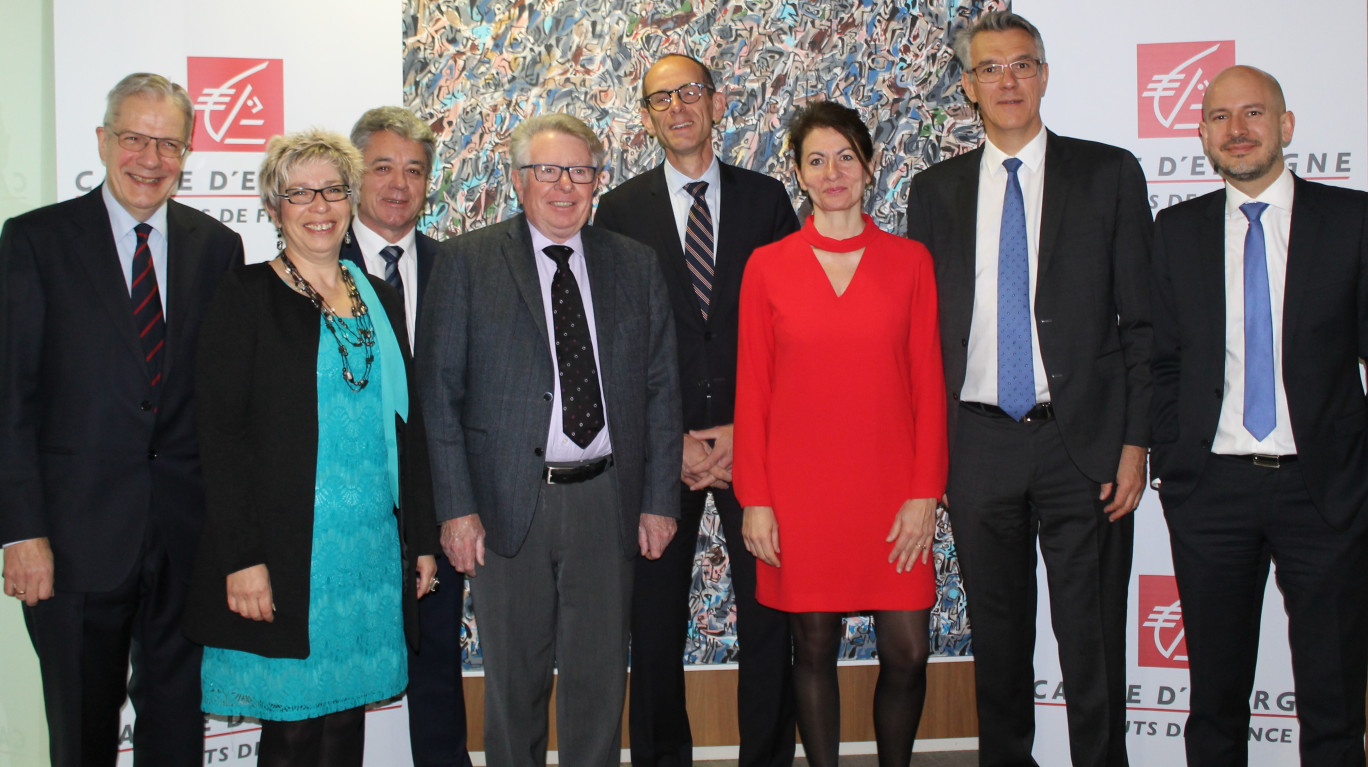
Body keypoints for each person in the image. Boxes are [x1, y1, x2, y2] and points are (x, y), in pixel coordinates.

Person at [904, 11, 1151, 766]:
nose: (1007, 80)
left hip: (1086, 444)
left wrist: (1136, 441)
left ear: (1044, 74)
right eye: (989, 69)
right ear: (969, 88)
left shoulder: (1108, 173)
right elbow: (921, 337)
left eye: (1022, 64)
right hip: (977, 443)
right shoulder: (934, 190)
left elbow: (1142, 324)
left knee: (1093, 639)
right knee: (1000, 639)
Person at [418, 113, 681, 767]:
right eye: (547, 171)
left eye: (580, 171)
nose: (565, 186)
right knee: (515, 686)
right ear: (517, 180)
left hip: (605, 499)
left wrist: (659, 500)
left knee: (597, 683)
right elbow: (439, 396)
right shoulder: (467, 262)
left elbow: (660, 391)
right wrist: (455, 507)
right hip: (508, 505)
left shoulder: (634, 265)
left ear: (596, 180)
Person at [0, 72, 244, 765]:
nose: (150, 157)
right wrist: (21, 531)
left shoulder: (216, 247)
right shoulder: (36, 241)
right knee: (80, 731)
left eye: (167, 143)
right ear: (104, 140)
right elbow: (11, 397)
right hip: (73, 541)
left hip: (184, 538)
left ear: (187, 152)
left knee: (177, 731)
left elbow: (222, 404)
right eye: (135, 138)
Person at [180, 128, 439, 765]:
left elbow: (409, 427)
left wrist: (423, 538)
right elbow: (221, 436)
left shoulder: (374, 297)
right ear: (274, 207)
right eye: (300, 193)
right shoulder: (245, 296)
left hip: (369, 555)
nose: (319, 206)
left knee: (345, 722)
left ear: (351, 201)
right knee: (294, 731)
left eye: (332, 191)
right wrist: (241, 559)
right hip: (290, 554)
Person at [1150, 65, 1368, 767]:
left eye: (1252, 113)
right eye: (1219, 117)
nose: (1236, 130)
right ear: (1204, 133)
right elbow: (1161, 359)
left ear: (1285, 126)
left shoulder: (1352, 221)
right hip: (1211, 492)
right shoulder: (1176, 230)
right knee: (1214, 702)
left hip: (1325, 491)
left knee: (1333, 701)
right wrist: (1174, 464)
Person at [594, 52, 798, 767]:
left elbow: (791, 326)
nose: (677, 107)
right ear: (645, 118)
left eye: (691, 93)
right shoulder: (617, 210)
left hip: (757, 448)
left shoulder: (768, 199)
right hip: (660, 453)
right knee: (652, 627)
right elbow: (612, 344)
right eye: (660, 99)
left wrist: (751, 430)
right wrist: (667, 436)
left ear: (718, 101)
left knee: (770, 618)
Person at [733, 100, 947, 767]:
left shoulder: (911, 262)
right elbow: (753, 392)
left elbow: (929, 387)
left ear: (869, 165)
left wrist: (924, 494)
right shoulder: (767, 267)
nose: (833, 173)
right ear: (798, 173)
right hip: (801, 497)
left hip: (892, 494)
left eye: (846, 157)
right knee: (815, 646)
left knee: (909, 651)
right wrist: (756, 498)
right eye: (816, 160)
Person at [342, 104, 471, 767]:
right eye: (383, 167)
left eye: (414, 170)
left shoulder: (460, 268)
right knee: (337, 682)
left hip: (439, 507)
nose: (398, 184)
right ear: (355, 175)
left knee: (438, 670)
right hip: (344, 513)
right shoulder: (314, 269)